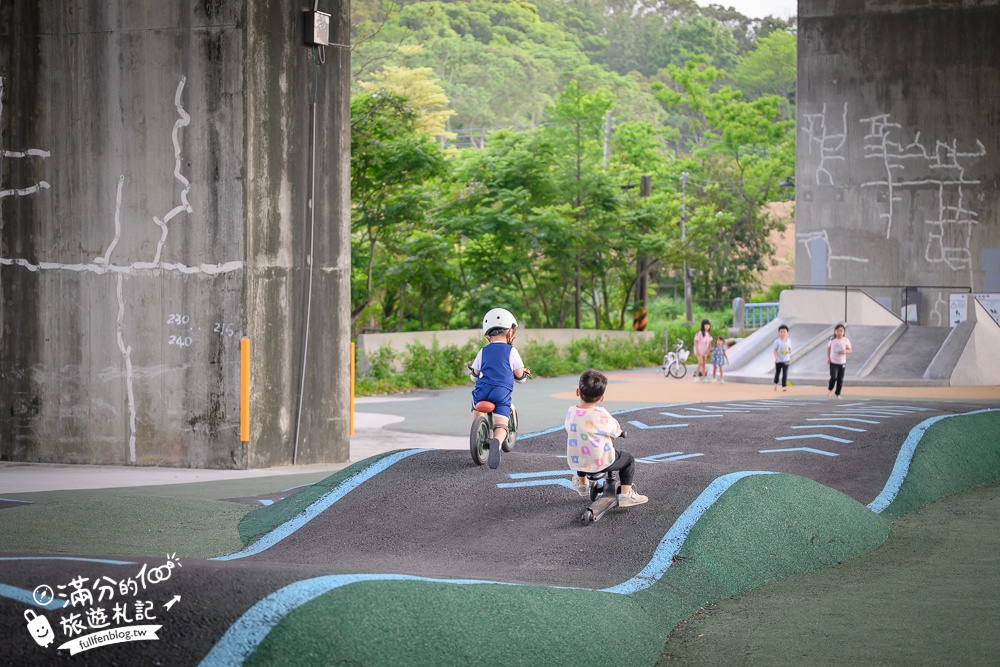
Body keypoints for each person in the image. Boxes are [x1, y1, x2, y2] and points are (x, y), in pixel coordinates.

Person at [565, 369, 648, 508]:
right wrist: (620, 432)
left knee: (582, 448)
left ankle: (583, 484)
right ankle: (626, 494)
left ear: (578, 392)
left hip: (578, 460)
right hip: (601, 462)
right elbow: (614, 430)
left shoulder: (571, 412)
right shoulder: (601, 414)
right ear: (602, 398)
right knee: (628, 459)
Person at [471, 307, 529, 469]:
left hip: (482, 391)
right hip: (500, 393)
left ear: (488, 336)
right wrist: (523, 375)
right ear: (510, 333)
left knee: (474, 399)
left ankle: (478, 424)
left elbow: (474, 374)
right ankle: (496, 441)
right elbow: (519, 375)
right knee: (501, 424)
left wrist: (474, 374)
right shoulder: (512, 351)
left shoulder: (482, 351)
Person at [826, 323, 852, 399]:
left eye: (841, 330)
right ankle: (830, 389)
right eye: (837, 330)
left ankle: (838, 394)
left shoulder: (846, 340)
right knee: (833, 377)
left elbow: (850, 350)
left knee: (840, 379)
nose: (839, 332)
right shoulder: (832, 339)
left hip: (842, 363)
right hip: (833, 362)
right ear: (835, 331)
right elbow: (828, 349)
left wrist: (845, 351)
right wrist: (828, 358)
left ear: (844, 332)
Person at [772, 324, 792, 391]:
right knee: (777, 372)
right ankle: (776, 383)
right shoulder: (777, 341)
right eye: (781, 332)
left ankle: (784, 386)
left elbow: (790, 348)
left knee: (785, 373)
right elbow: (774, 350)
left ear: (787, 333)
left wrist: (790, 351)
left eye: (784, 332)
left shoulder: (789, 341)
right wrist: (776, 358)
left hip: (786, 360)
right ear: (779, 333)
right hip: (779, 360)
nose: (783, 334)